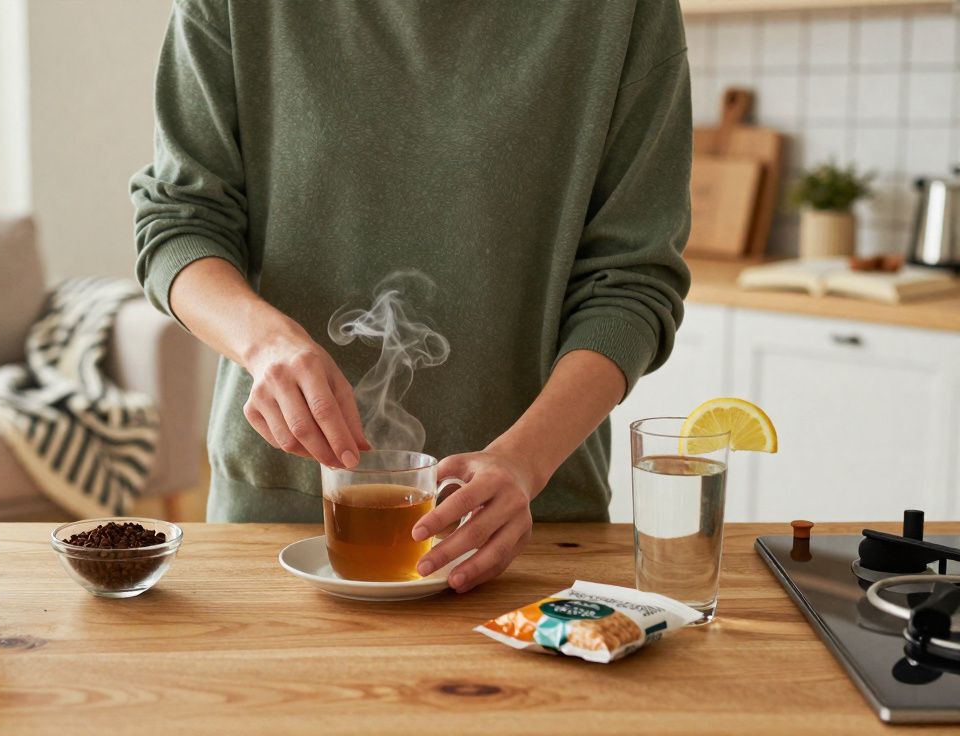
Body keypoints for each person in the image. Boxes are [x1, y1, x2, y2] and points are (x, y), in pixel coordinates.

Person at [131, 1, 691, 593]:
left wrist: (524, 461)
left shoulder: (623, 12)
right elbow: (180, 224)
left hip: (527, 526)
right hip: (274, 521)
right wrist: (265, 343)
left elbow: (630, 282)